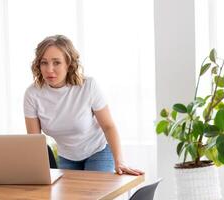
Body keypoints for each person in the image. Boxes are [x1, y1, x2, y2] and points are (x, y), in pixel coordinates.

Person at [24, 35, 143, 175]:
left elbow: (108, 126)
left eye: (56, 62)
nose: (49, 69)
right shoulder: (32, 94)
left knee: (93, 195)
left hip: (98, 151)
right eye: (44, 63)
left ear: (68, 64)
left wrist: (119, 161)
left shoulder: (88, 86)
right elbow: (34, 141)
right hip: (66, 156)